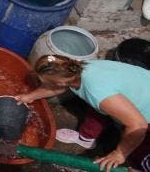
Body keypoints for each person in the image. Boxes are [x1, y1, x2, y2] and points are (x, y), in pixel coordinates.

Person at [17, 55, 150, 172]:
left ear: (61, 82)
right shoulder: (76, 68)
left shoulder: (97, 92)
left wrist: (120, 153)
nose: (44, 85)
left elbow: (138, 125)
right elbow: (55, 87)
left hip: (144, 116)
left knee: (138, 153)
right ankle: (87, 139)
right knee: (98, 107)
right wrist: (29, 97)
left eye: (45, 83)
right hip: (140, 85)